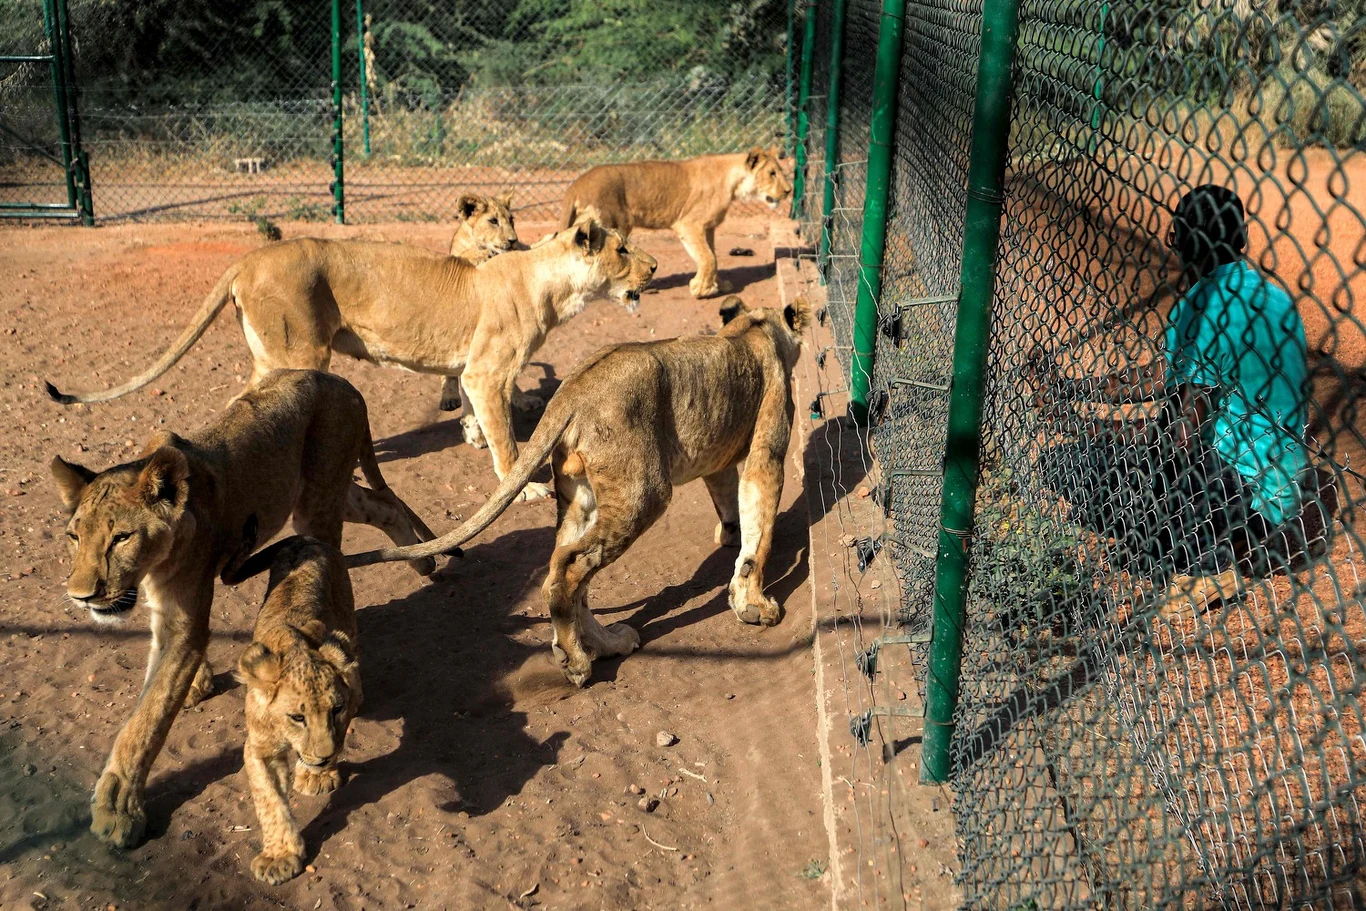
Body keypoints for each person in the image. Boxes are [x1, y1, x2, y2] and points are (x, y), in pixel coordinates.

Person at [1030, 184, 1328, 608]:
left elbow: (1180, 434)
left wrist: (1083, 425)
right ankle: (1193, 550)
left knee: (1072, 462)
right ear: (1240, 238)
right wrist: (1076, 389)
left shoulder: (1204, 304)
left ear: (1183, 242)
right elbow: (1164, 375)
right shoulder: (1272, 296)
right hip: (1281, 496)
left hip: (1233, 499)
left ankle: (1202, 567)